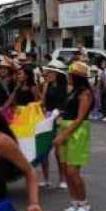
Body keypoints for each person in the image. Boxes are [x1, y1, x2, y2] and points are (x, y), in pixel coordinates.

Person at [54, 61, 94, 211]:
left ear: (77, 77)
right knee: (65, 169)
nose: (68, 77)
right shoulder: (73, 91)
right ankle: (74, 201)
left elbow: (79, 118)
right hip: (66, 128)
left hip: (77, 132)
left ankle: (83, 202)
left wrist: (63, 134)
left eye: (70, 74)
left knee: (72, 171)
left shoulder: (85, 93)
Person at [39, 60, 68, 189]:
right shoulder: (47, 85)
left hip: (60, 118)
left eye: (50, 72)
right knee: (44, 150)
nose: (48, 74)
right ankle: (46, 179)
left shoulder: (65, 87)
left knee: (59, 151)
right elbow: (43, 102)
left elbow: (66, 104)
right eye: (48, 71)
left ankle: (62, 179)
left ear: (57, 73)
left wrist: (58, 113)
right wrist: (45, 87)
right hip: (48, 118)